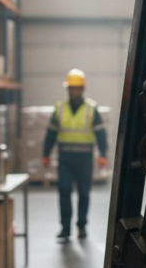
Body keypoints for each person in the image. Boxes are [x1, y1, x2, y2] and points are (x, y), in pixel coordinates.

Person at [43, 69, 108, 243]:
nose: (74, 91)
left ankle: (81, 226)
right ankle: (65, 228)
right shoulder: (60, 108)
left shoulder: (91, 109)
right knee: (64, 191)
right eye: (72, 88)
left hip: (84, 159)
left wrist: (103, 154)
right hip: (65, 158)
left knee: (84, 194)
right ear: (68, 89)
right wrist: (45, 154)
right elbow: (50, 133)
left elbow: (101, 134)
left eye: (77, 88)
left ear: (83, 88)